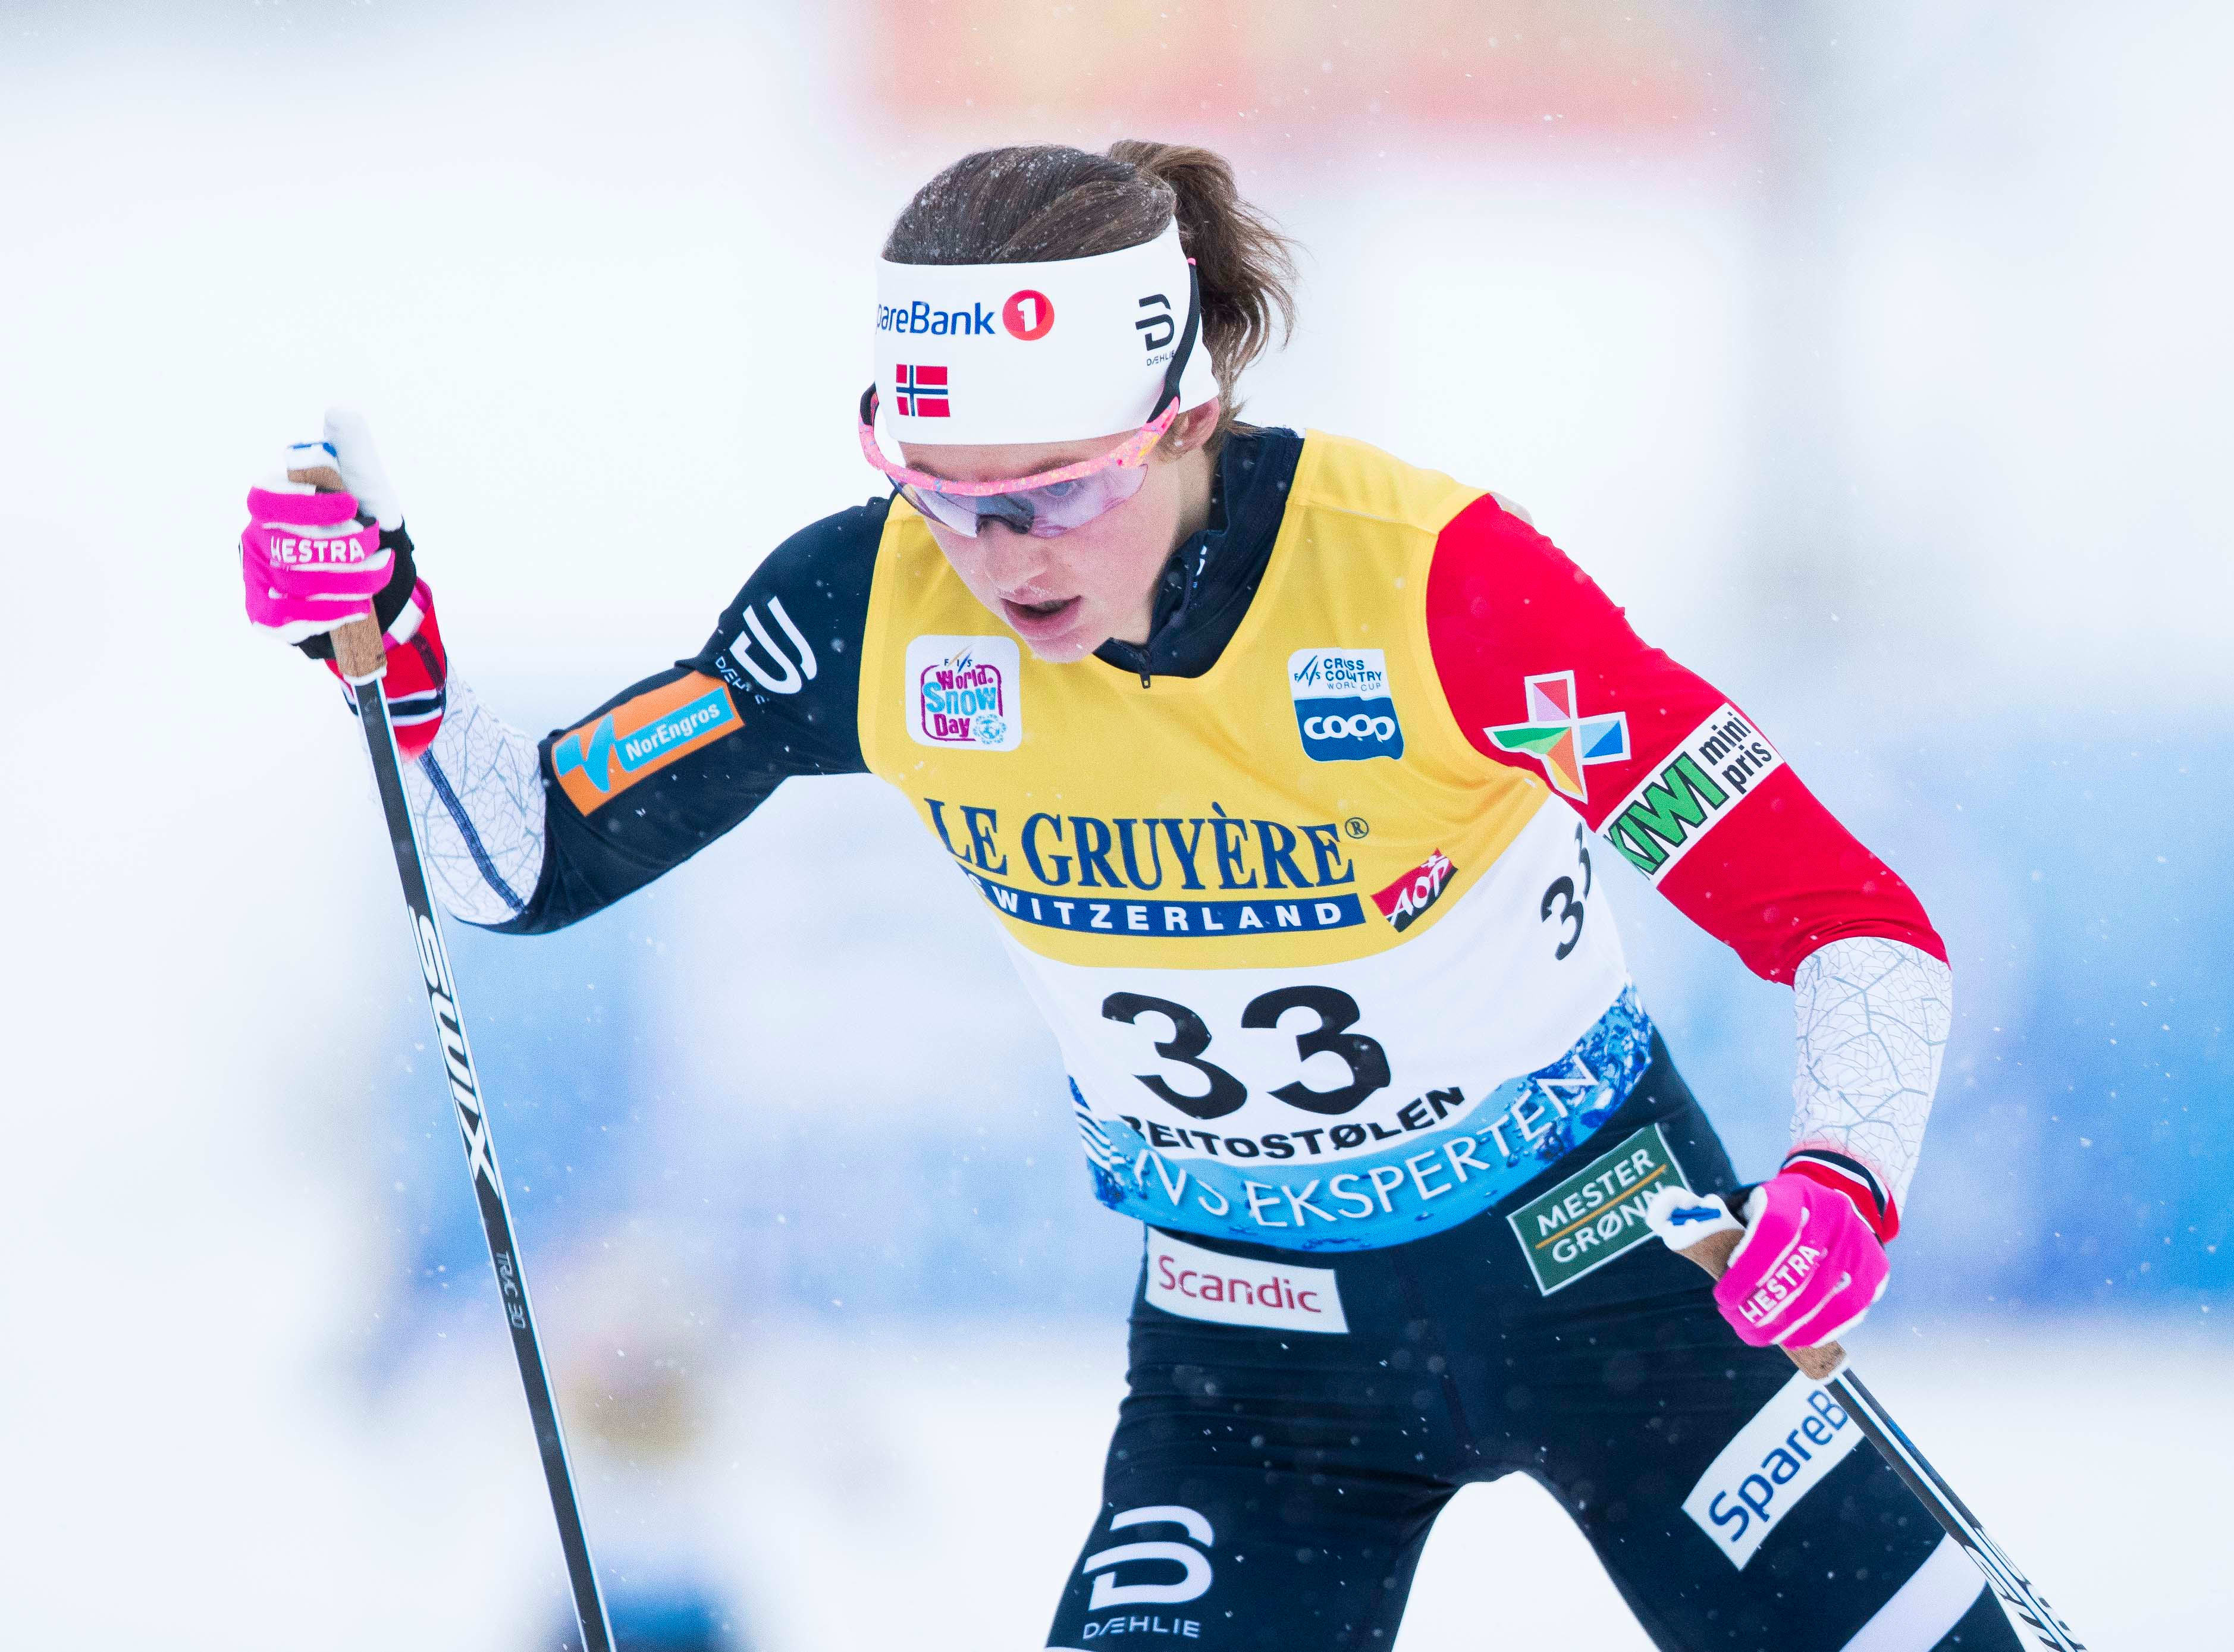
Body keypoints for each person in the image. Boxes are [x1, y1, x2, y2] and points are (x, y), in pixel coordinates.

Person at [242, 141, 2016, 1650]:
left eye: (1059, 494)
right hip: (1259, 1354)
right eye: (941, 496)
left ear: (1184, 420)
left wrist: (1843, 1176)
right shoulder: (869, 613)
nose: (998, 558)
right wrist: (397, 661)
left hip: (1613, 1274)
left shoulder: (1436, 591)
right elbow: (528, 858)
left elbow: (1852, 920)